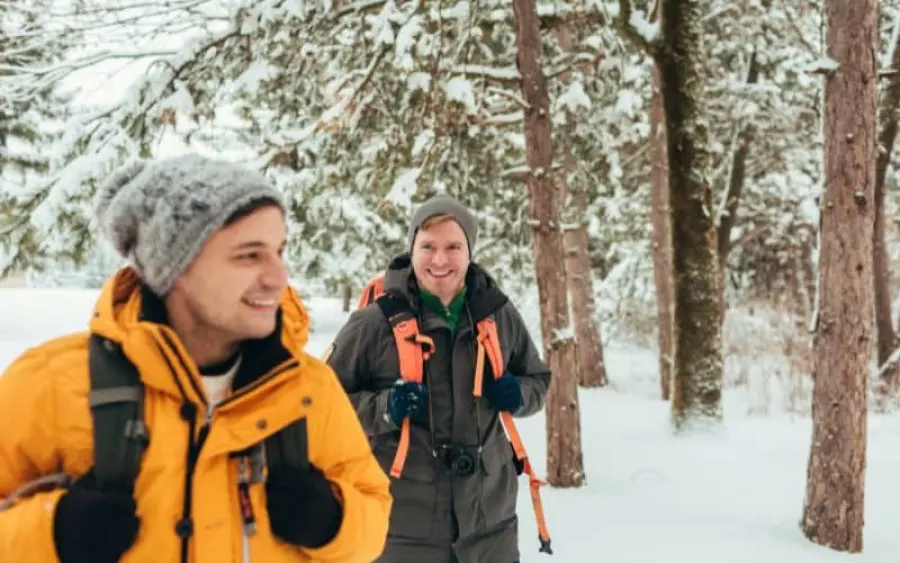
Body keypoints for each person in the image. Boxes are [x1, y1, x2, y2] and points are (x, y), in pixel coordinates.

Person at [0, 154, 392, 563]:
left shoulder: (308, 389)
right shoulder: (52, 383)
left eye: (279, 251)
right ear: (176, 266)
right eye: (249, 255)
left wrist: (333, 521)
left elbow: (373, 512)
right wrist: (49, 532)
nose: (279, 277)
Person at [325, 193, 552, 563]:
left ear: (469, 251)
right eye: (428, 246)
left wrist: (520, 394)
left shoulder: (497, 314)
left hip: (490, 530)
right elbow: (322, 407)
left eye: (453, 247)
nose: (440, 260)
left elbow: (538, 379)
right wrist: (385, 407)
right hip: (403, 533)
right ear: (412, 249)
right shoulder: (374, 324)